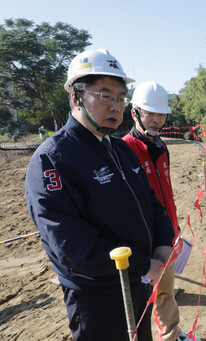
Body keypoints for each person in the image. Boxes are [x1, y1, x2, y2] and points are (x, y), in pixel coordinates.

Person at [25, 49, 174, 341]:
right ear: (75, 97)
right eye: (105, 96)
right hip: (98, 298)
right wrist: (144, 264)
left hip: (138, 284)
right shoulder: (53, 160)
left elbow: (152, 205)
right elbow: (71, 247)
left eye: (120, 97)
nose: (116, 106)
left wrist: (163, 245)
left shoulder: (120, 149)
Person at [123, 81, 199, 341]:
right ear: (135, 113)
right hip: (144, 243)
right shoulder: (124, 150)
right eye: (149, 113)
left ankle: (172, 335)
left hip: (167, 233)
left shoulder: (162, 147)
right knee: (144, 302)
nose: (156, 120)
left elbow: (166, 190)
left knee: (166, 292)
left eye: (161, 114)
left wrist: (173, 228)